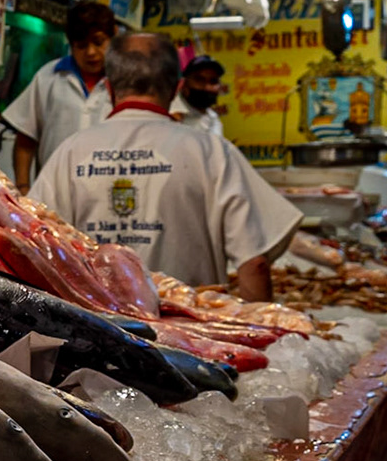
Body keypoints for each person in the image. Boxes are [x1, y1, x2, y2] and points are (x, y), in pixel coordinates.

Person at [30, 32, 301, 299]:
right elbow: (254, 263)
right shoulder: (212, 152)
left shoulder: (69, 152)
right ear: (176, 89)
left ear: (109, 89)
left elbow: (34, 245)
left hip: (97, 330)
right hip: (191, 334)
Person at [4, 0, 116, 191]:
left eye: (98, 42)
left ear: (113, 38)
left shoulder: (125, 80)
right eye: (81, 45)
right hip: (53, 193)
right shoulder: (48, 76)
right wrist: (23, 188)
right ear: (71, 44)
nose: (91, 52)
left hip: (109, 193)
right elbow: (25, 140)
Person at [171, 55, 226, 138]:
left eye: (213, 81)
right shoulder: (169, 116)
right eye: (199, 80)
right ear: (184, 84)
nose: (207, 87)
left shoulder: (213, 119)